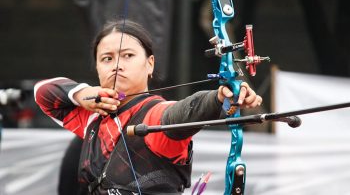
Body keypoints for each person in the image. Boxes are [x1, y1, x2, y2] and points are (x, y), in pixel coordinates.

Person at [34, 19, 262, 195]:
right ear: (97, 67)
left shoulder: (154, 115)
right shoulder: (92, 118)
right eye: (107, 59)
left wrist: (219, 97)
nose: (116, 66)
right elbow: (43, 92)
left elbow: (184, 112)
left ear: (149, 64)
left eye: (128, 55)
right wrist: (82, 93)